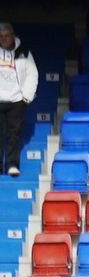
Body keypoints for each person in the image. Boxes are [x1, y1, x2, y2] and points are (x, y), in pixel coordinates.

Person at [0, 21, 38, 176]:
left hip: (16, 101)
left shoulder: (24, 51)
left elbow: (32, 74)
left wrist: (26, 97)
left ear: (13, 36)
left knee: (14, 135)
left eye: (6, 36)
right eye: (1, 37)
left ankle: (12, 165)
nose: (3, 39)